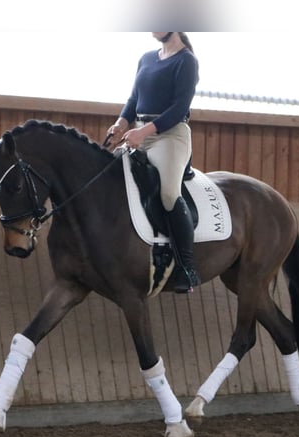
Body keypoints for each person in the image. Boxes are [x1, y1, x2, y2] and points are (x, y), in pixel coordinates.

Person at [106, 32, 200, 293]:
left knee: (169, 194)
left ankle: (187, 268)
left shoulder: (186, 61)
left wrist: (142, 132)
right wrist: (120, 125)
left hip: (169, 136)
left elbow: (179, 108)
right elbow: (134, 100)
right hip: (137, 133)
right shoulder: (146, 59)